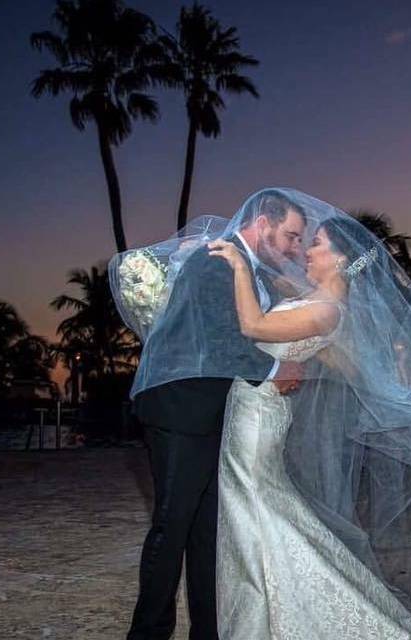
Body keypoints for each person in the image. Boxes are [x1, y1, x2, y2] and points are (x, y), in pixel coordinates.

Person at [208, 207, 411, 639]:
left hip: (258, 417)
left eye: (316, 243)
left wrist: (234, 262)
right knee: (265, 510)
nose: (306, 250)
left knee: (254, 509)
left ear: (343, 259)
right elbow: (275, 293)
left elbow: (253, 325)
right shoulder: (315, 297)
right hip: (254, 408)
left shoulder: (327, 309)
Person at [118, 189, 307, 640]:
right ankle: (148, 633)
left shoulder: (239, 266)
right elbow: (224, 340)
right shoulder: (214, 261)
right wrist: (279, 368)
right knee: (173, 525)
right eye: (291, 236)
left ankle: (208, 631)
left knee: (207, 532)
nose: (294, 248)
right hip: (180, 406)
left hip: (208, 410)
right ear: (263, 223)